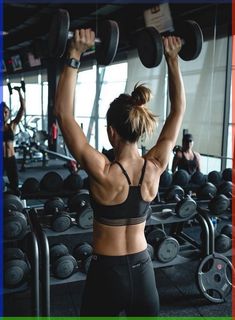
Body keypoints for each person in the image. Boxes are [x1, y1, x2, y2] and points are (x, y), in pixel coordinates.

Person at [54, 29, 185, 316]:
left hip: (107, 276)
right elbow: (178, 112)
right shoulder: (156, 166)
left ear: (112, 132)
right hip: (144, 271)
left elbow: (64, 116)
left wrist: (74, 54)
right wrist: (173, 60)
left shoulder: (103, 171)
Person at [2, 87, 25, 195]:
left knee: (15, 186)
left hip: (11, 159)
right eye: (1, 112)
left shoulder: (12, 125)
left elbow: (22, 109)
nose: (3, 114)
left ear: (9, 113)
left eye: (6, 112)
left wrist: (19, 93)